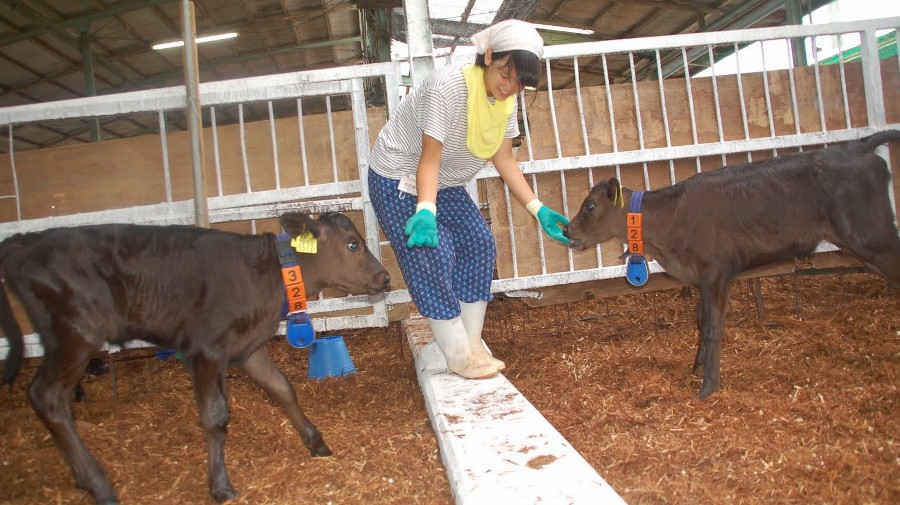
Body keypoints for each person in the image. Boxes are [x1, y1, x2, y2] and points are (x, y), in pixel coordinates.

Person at [367, 19, 569, 379]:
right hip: (398, 174)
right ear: (489, 55)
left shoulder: (504, 103)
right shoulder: (448, 87)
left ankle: (470, 344)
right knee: (432, 249)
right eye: (505, 73)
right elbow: (427, 158)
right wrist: (425, 211)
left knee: (479, 243)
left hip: (444, 180)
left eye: (520, 82)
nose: (510, 87)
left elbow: (504, 158)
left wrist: (538, 209)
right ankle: (456, 352)